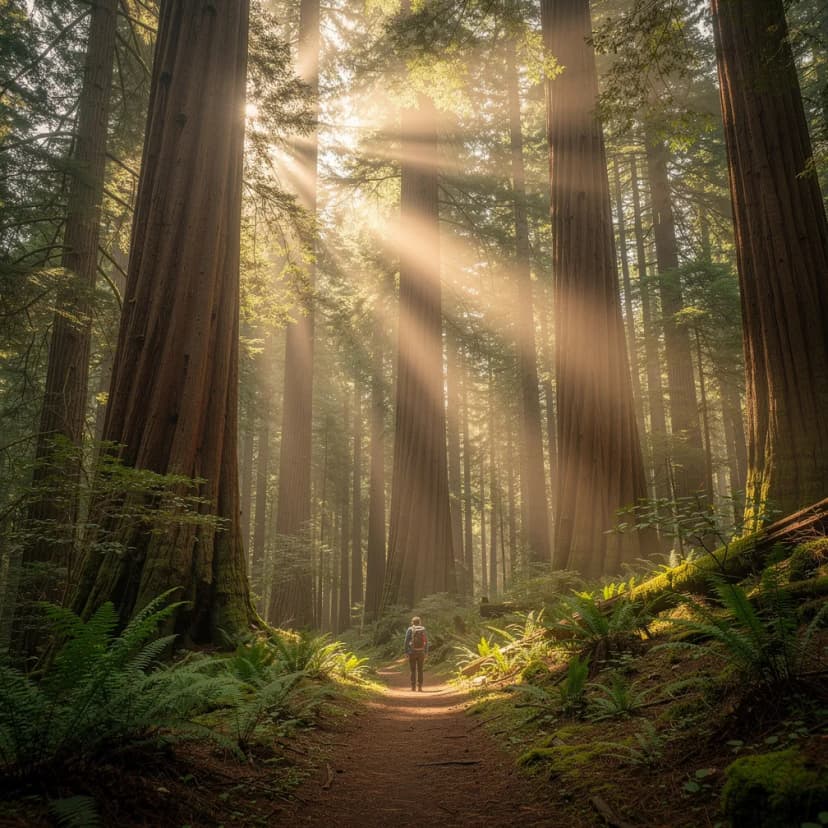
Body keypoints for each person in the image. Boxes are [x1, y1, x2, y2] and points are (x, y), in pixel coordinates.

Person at [404, 616, 428, 691]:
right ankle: (420, 686)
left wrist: (406, 652)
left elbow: (406, 641)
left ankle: (413, 686)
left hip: (412, 652)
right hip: (421, 652)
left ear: (412, 622)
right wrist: (426, 652)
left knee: (413, 670)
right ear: (420, 622)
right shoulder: (423, 629)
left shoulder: (410, 629)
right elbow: (426, 641)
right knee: (420, 669)